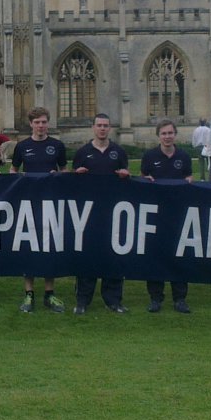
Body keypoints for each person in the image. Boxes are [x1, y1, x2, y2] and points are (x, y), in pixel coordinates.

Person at [8, 106, 68, 313]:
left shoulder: (57, 145)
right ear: (31, 124)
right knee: (29, 247)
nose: (41, 126)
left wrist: (58, 176)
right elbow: (14, 169)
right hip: (28, 204)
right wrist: (18, 180)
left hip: (51, 204)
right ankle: (29, 294)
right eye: (37, 122)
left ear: (47, 123)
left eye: (44, 122)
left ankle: (50, 294)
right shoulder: (22, 146)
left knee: (49, 248)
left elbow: (64, 170)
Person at [72, 112, 131, 315]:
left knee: (113, 257)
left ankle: (113, 300)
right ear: (93, 127)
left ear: (110, 128)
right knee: (87, 258)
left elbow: (127, 178)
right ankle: (82, 301)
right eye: (99, 125)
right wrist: (77, 175)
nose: (103, 128)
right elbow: (73, 183)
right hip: (88, 214)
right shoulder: (83, 152)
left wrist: (126, 176)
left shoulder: (118, 152)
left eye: (106, 125)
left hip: (113, 213)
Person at [140, 118, 193, 314]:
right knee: (155, 256)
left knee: (178, 256)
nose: (167, 137)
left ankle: (180, 298)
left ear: (175, 134)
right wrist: (145, 180)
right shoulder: (150, 156)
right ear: (158, 136)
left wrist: (188, 181)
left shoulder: (184, 156)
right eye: (164, 133)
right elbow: (143, 178)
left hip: (178, 214)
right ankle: (155, 297)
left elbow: (188, 178)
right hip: (155, 214)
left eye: (170, 133)